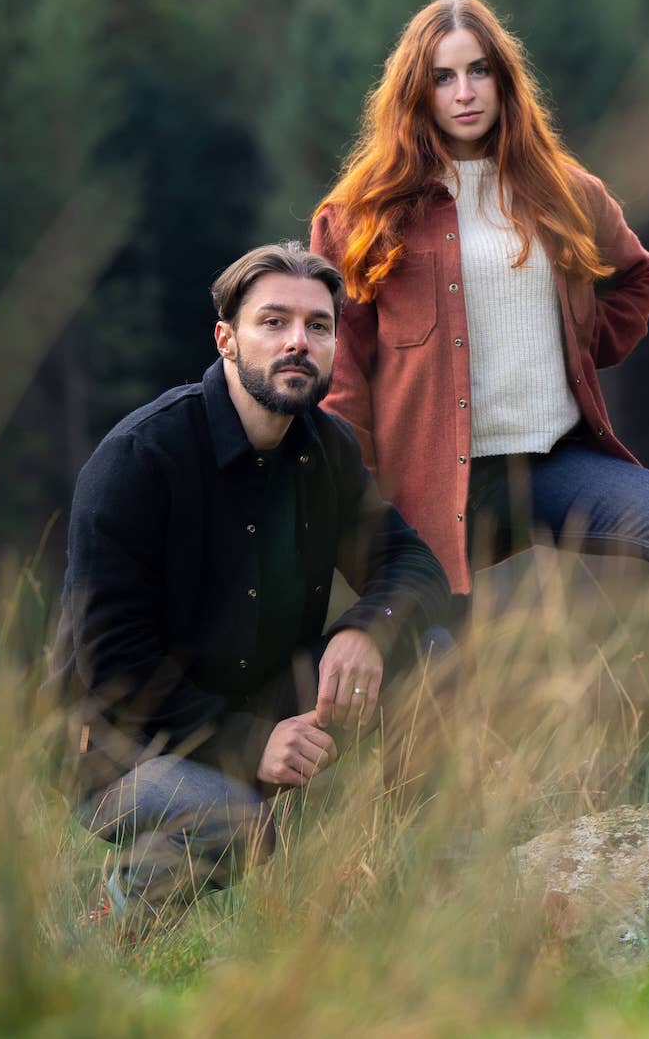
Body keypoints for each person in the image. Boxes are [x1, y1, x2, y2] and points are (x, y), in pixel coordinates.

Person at [309, 0, 649, 814]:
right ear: (415, 94)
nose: (465, 91)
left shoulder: (561, 190)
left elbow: (638, 275)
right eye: (443, 78)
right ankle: (409, 852)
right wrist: (354, 495)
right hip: (436, 492)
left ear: (506, 84)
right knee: (437, 680)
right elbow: (345, 369)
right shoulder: (361, 215)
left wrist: (584, 345)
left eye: (480, 72)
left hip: (556, 466)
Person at [51, 241, 451, 926]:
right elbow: (114, 667)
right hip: (123, 748)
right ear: (227, 340)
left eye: (318, 326)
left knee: (429, 649)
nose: (299, 341)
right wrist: (248, 743)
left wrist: (366, 628)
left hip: (262, 705)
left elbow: (414, 564)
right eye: (274, 322)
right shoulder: (139, 458)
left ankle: (415, 888)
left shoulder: (329, 451)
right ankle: (98, 935)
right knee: (241, 823)